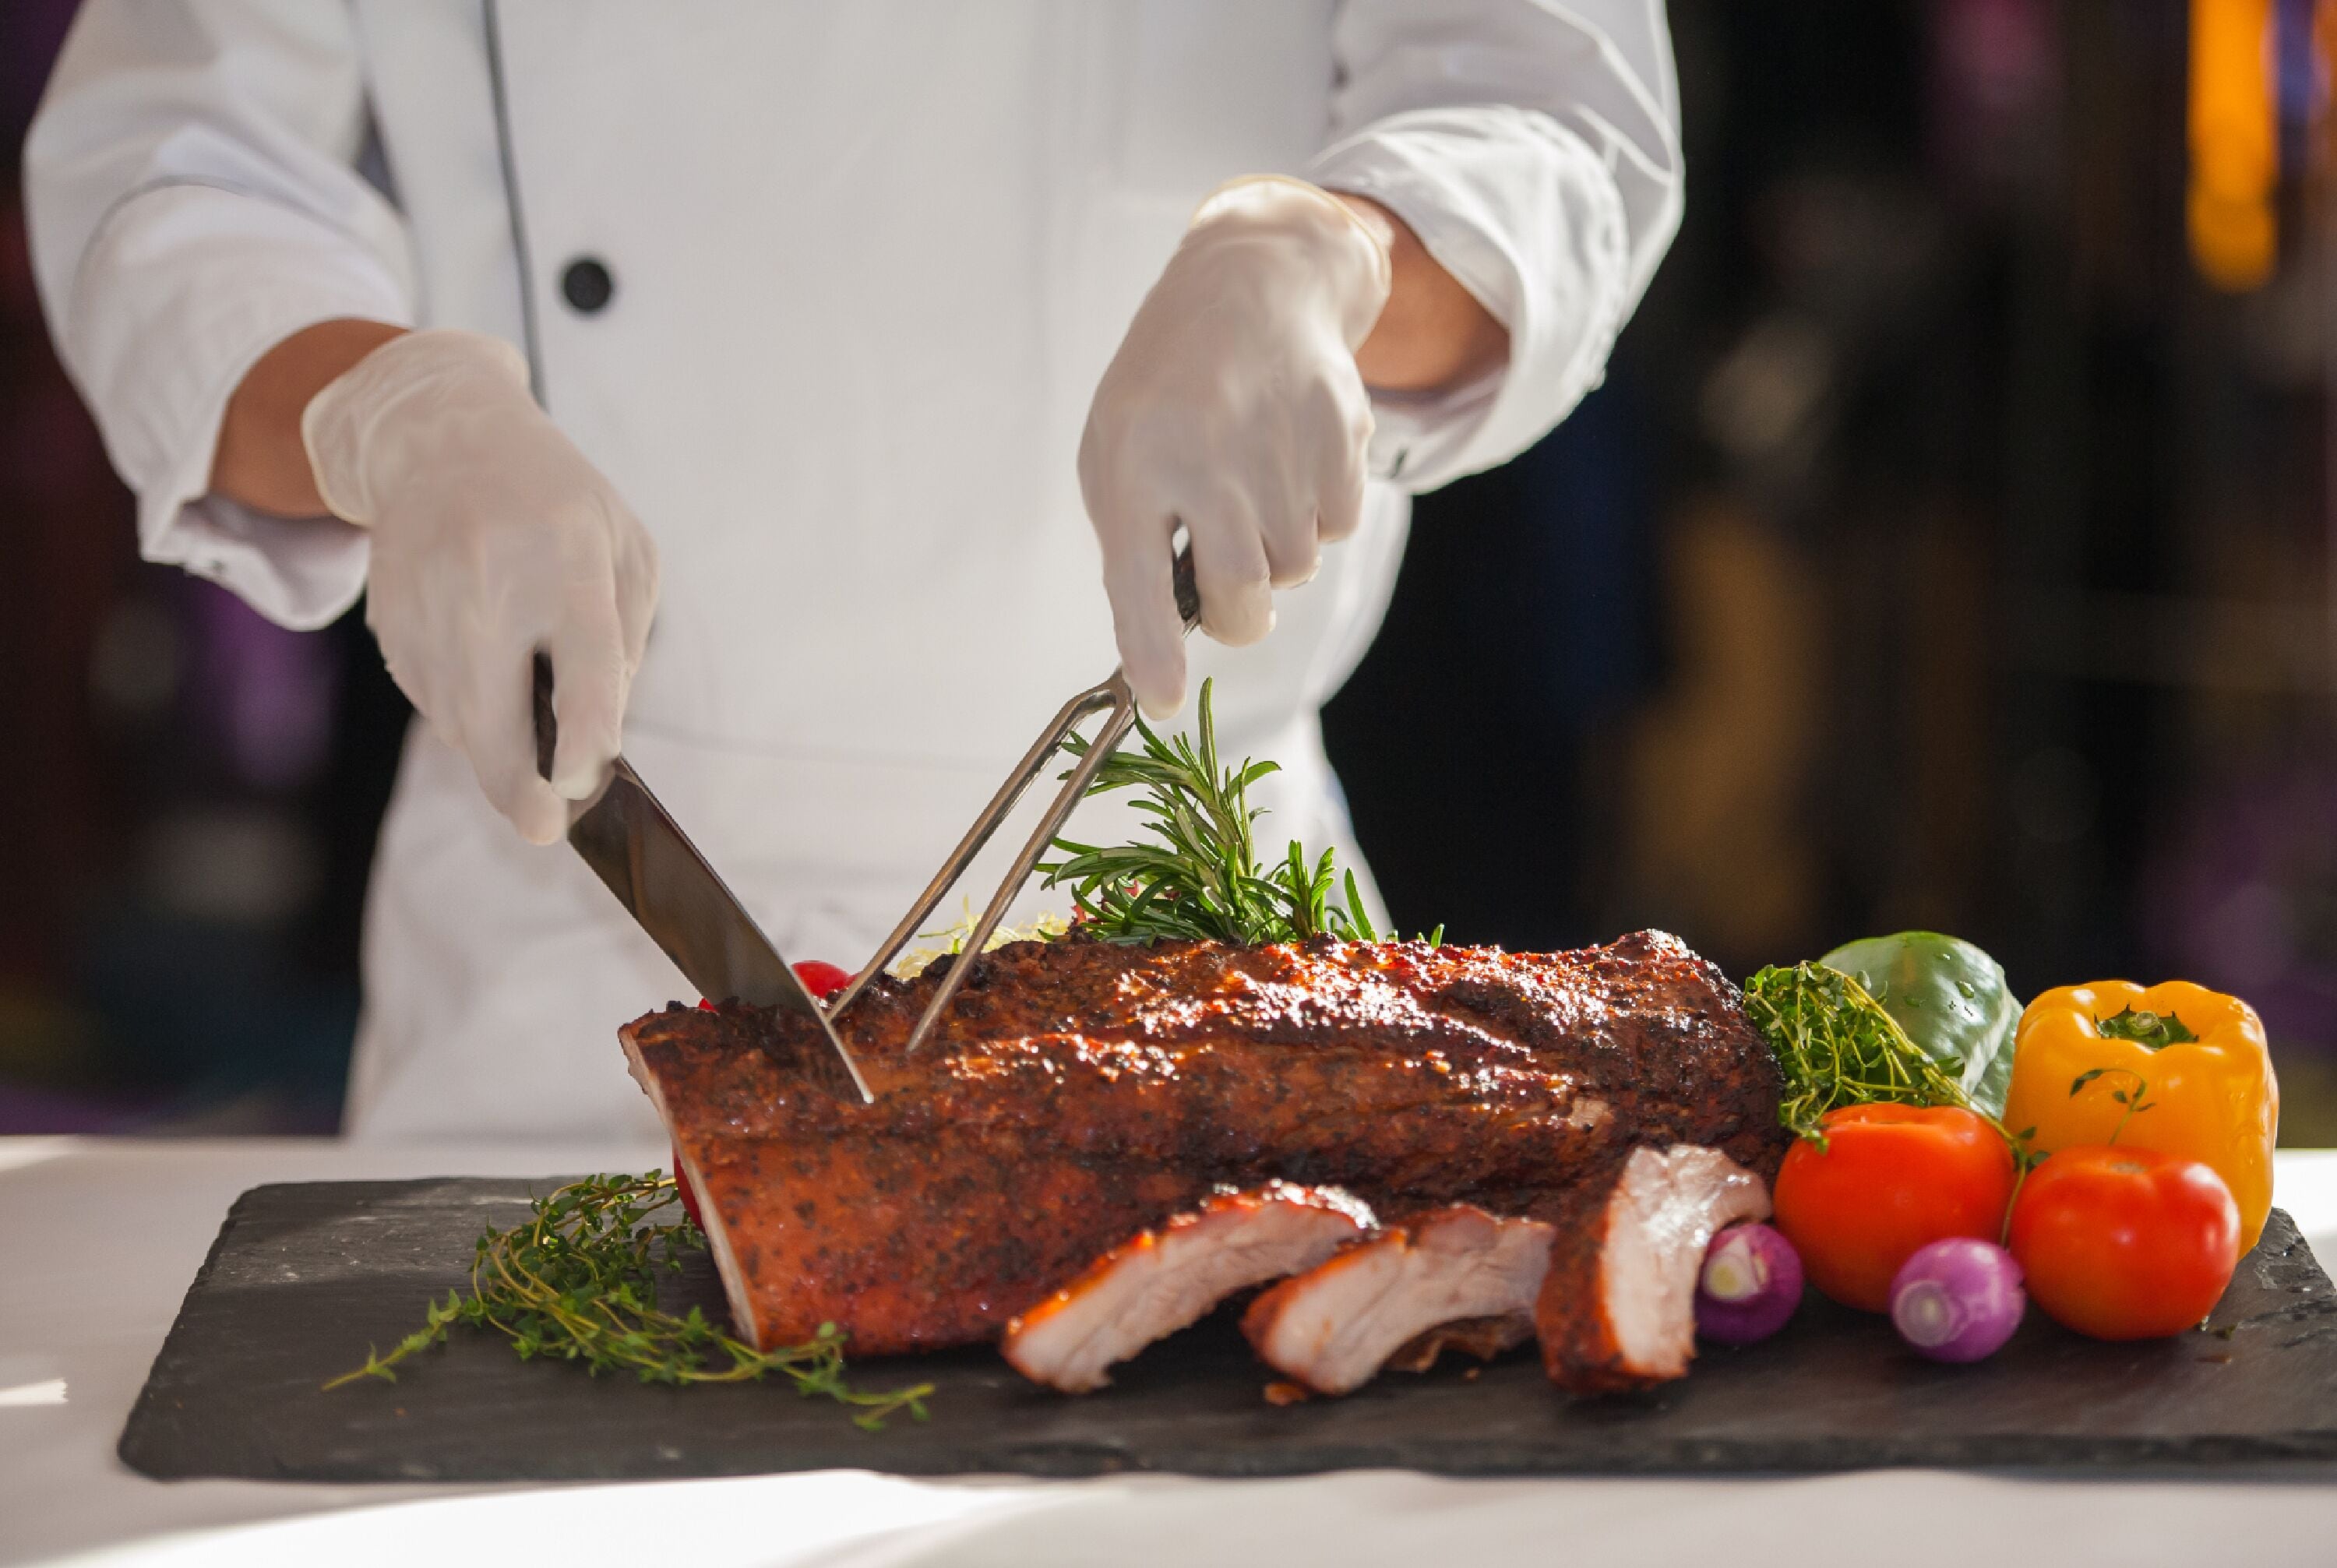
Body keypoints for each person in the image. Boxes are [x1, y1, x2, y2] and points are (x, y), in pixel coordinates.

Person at [25, 2, 1681, 1141]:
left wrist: (1324, 253)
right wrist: (385, 410)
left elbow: (1561, 104)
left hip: (1195, 929)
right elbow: (174, 171)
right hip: (565, 931)